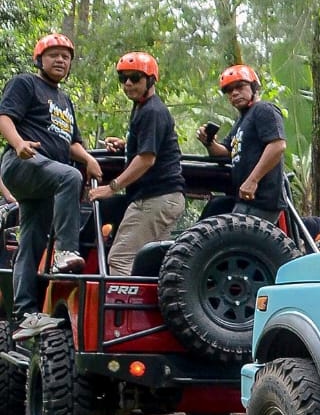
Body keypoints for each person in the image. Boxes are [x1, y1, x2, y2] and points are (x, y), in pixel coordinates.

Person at [0, 34, 103, 340]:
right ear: (39, 60)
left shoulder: (65, 101)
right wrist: (18, 144)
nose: (60, 60)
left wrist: (89, 160)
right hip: (21, 165)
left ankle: (26, 315)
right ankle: (65, 252)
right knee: (69, 176)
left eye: (66, 57)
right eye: (54, 55)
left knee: (31, 239)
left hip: (44, 180)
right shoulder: (25, 84)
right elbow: (4, 117)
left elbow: (71, 143)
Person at [86, 52, 186, 276]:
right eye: (123, 79)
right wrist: (127, 144)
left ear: (150, 80)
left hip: (156, 197)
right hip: (160, 198)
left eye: (135, 78)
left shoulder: (152, 110)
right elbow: (149, 148)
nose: (128, 84)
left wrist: (111, 187)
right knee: (149, 264)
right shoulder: (141, 107)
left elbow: (146, 159)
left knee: (120, 258)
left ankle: (118, 311)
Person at [196, 65, 287, 222]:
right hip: (244, 199)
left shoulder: (264, 109)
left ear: (253, 87)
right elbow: (226, 151)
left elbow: (277, 145)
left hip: (262, 200)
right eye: (230, 91)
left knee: (237, 244)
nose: (235, 93)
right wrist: (209, 142)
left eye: (239, 87)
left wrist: (253, 180)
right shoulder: (241, 121)